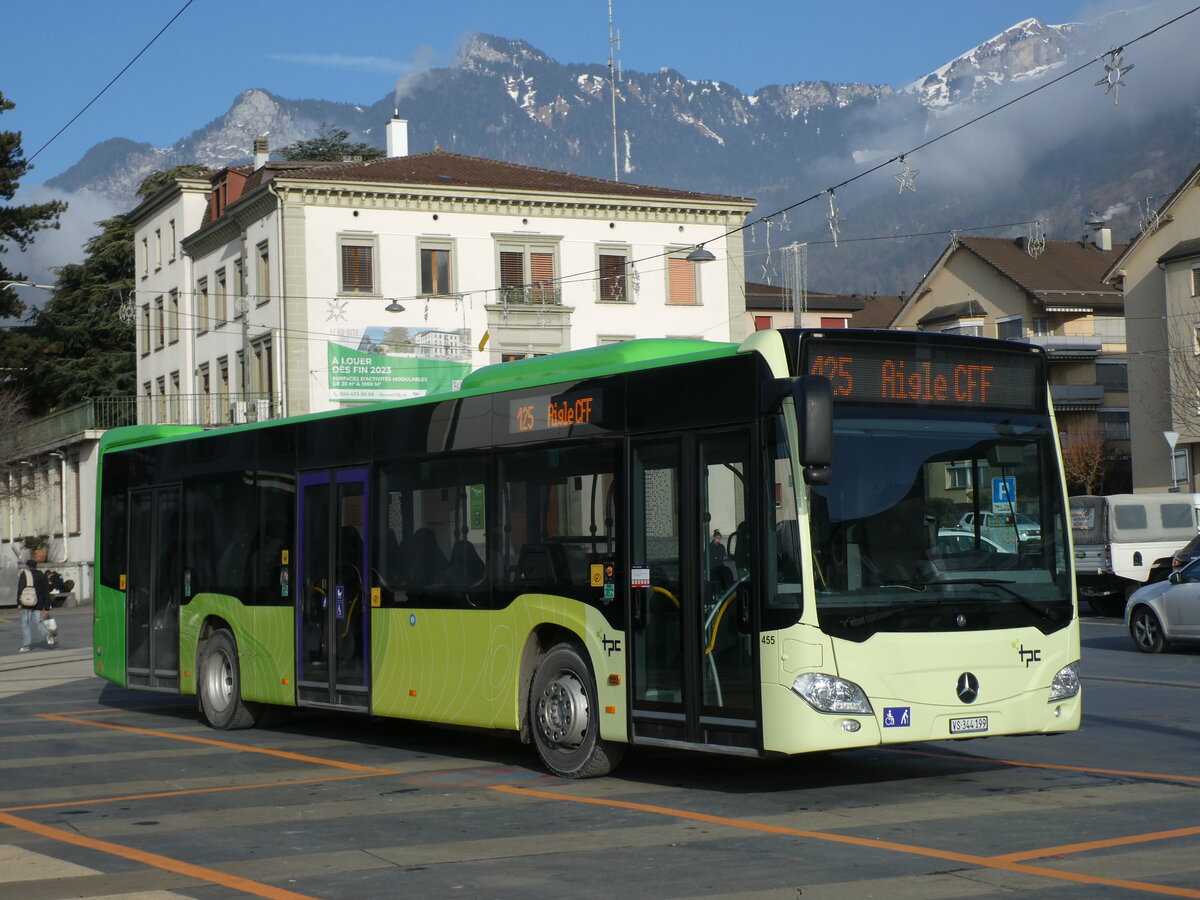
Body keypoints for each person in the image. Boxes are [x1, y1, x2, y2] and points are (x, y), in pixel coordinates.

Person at [17, 558, 54, 652]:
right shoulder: (41, 574)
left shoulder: (25, 574)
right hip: (39, 603)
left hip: (27, 602)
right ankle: (47, 635)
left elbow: (20, 588)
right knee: (38, 621)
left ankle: (26, 646)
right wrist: (47, 606)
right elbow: (46, 591)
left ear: (27, 566)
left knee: (25, 623)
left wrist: (19, 602)